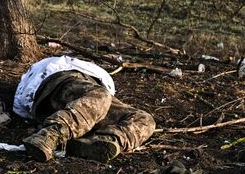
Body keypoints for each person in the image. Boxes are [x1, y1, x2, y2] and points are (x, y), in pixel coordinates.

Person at [14, 55, 155, 162]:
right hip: (61, 84)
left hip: (93, 102)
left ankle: (104, 141)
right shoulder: (61, 64)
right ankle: (51, 134)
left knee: (145, 119)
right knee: (101, 95)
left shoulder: (98, 83)